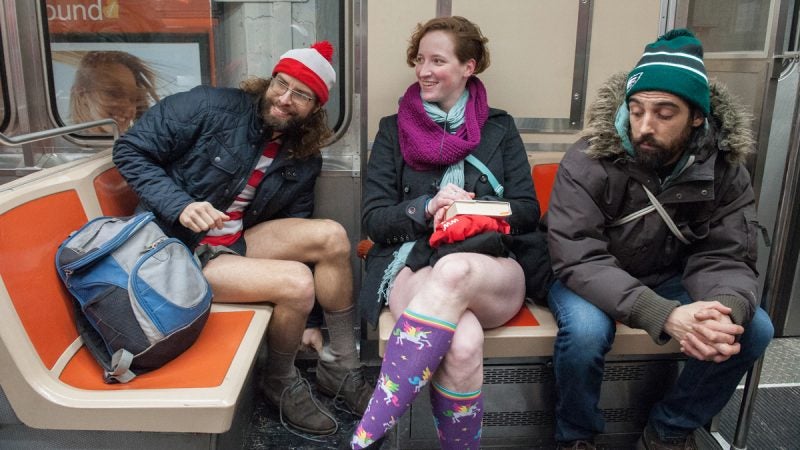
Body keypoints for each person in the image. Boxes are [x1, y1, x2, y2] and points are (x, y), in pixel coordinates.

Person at [112, 41, 372, 437]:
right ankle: (279, 380)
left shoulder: (302, 153)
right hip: (175, 249)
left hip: (234, 240)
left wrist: (312, 320)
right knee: (295, 283)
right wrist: (180, 204)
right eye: (280, 84)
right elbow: (129, 149)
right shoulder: (208, 107)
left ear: (315, 108)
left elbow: (293, 221)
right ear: (269, 80)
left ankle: (340, 364)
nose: (284, 100)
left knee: (331, 236)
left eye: (300, 94)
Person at [545, 29, 774, 450]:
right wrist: (665, 315)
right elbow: (577, 256)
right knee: (585, 334)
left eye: (664, 113)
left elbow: (726, 255)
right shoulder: (589, 158)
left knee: (753, 327)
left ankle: (669, 428)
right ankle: (575, 436)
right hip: (589, 276)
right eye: (635, 111)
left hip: (670, 275)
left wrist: (725, 308)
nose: (644, 127)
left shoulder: (724, 170)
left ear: (698, 117)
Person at [349, 16, 542, 449]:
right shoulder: (392, 130)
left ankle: (370, 429)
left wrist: (474, 210)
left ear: (468, 67)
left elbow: (528, 211)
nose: (423, 71)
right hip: (412, 262)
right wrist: (427, 207)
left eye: (438, 60)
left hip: (487, 266)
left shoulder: (499, 128)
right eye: (420, 60)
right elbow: (375, 220)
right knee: (463, 344)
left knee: (454, 269)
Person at [70, 51, 159, 134]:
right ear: (82, 95)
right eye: (113, 93)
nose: (128, 108)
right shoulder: (63, 146)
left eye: (133, 99)